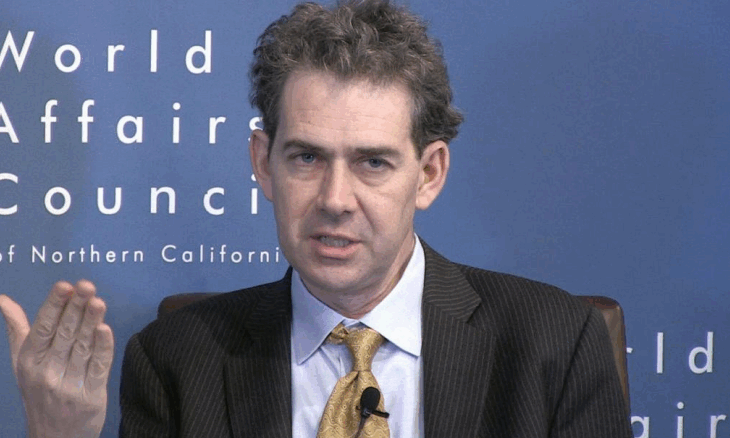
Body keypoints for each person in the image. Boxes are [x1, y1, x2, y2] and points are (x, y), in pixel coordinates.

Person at [0, 1, 632, 437]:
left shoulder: (553, 345)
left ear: (429, 174)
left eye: (373, 163)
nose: (335, 198)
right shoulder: (178, 362)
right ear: (263, 163)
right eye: (307, 157)